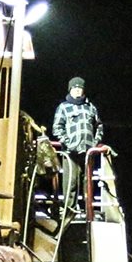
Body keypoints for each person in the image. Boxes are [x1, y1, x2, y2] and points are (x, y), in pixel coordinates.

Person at [50, 76, 104, 220]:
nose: (78, 91)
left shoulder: (90, 107)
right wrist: (67, 142)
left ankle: (89, 213)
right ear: (70, 89)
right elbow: (57, 128)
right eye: (75, 88)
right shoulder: (63, 107)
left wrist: (95, 141)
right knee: (70, 184)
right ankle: (69, 214)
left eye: (80, 88)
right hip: (70, 153)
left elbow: (99, 126)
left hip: (87, 153)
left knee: (88, 183)